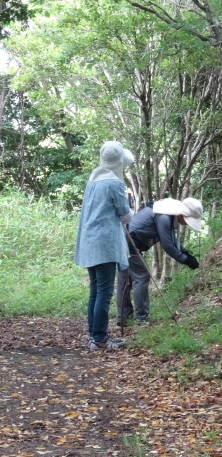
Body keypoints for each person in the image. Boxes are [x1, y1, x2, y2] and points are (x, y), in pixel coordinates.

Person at [74, 141, 135, 351]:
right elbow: (125, 215)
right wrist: (131, 209)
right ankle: (99, 338)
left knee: (95, 290)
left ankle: (94, 336)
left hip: (90, 241)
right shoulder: (115, 184)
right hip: (105, 243)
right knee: (104, 293)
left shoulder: (93, 178)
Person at [117, 196, 202, 325]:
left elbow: (172, 240)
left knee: (125, 280)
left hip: (124, 240)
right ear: (183, 215)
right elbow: (167, 245)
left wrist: (186, 254)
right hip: (129, 242)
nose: (187, 223)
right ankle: (141, 318)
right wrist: (185, 259)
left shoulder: (167, 214)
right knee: (141, 276)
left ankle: (124, 318)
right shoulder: (164, 217)